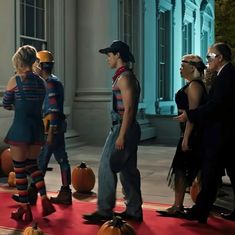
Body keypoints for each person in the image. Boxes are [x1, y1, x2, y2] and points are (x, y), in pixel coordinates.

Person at [83, 40, 143, 223]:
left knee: (106, 168)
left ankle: (104, 210)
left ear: (118, 55)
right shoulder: (122, 76)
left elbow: (129, 109)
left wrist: (122, 135)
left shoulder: (125, 77)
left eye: (109, 55)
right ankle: (134, 210)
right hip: (124, 127)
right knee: (127, 170)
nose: (107, 59)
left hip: (122, 127)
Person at [175, 42, 235, 223]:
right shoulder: (225, 74)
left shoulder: (226, 76)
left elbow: (216, 107)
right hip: (225, 134)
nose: (208, 59)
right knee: (215, 175)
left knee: (210, 174)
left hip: (222, 135)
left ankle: (200, 212)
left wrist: (190, 115)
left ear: (220, 58)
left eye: (210, 56)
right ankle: (200, 211)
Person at [3, 45, 56, 222]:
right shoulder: (41, 82)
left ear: (19, 60)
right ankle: (45, 199)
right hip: (36, 128)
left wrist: (13, 103)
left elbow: (6, 103)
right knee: (32, 165)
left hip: (20, 128)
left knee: (19, 169)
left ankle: (24, 208)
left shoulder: (15, 80)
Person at [157, 54, 207, 216]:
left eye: (182, 63)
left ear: (192, 67)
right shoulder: (192, 85)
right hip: (189, 133)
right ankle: (179, 205)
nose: (180, 67)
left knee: (183, 169)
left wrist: (185, 138)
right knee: (184, 170)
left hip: (193, 135)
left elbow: (192, 115)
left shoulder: (194, 86)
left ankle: (180, 206)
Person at [33, 50, 72, 205]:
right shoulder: (55, 81)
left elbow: (54, 110)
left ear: (40, 65)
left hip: (51, 129)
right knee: (62, 158)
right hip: (57, 128)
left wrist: (50, 133)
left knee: (40, 162)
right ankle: (65, 191)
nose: (34, 67)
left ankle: (31, 192)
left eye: (36, 64)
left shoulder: (49, 83)